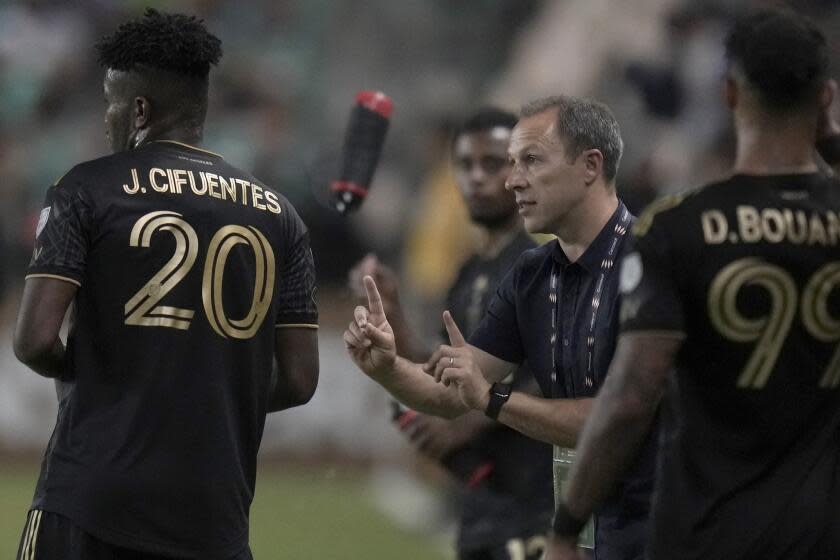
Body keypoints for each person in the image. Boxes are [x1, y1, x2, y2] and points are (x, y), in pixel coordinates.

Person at [13, 9, 319, 560]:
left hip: (91, 499)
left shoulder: (84, 191)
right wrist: (202, 396)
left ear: (138, 110)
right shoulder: (281, 217)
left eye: (109, 103)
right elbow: (298, 379)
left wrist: (111, 382)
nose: (106, 118)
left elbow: (33, 340)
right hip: (212, 514)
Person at [549, 9, 840, 560]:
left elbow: (633, 395)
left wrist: (568, 524)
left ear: (729, 93)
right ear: (826, 98)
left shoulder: (676, 229)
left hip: (707, 531)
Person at [345, 95, 654, 559]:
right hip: (582, 533)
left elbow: (610, 419)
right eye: (511, 163)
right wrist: (386, 366)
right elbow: (452, 393)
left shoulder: (651, 262)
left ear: (591, 165)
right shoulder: (531, 275)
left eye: (529, 161)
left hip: (661, 530)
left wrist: (491, 400)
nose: (512, 180)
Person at [349, 108, 553, 560]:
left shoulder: (542, 268)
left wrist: (465, 424)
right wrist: (392, 311)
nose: (475, 177)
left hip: (535, 507)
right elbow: (448, 372)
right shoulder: (469, 272)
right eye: (464, 165)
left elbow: (552, 379)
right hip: (482, 507)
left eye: (492, 162)